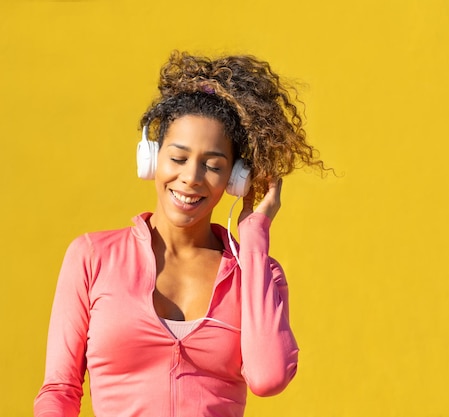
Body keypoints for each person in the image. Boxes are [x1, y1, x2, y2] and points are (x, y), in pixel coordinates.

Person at [34, 51, 326, 417]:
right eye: (178, 158)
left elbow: (268, 378)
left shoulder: (257, 274)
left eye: (213, 165)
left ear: (236, 179)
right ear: (152, 159)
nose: (191, 177)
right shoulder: (92, 256)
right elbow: (60, 390)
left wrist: (254, 240)